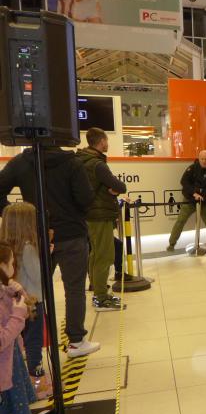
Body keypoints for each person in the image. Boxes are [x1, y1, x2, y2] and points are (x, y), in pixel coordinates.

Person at [0, 146, 98, 359]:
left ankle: (27, 344)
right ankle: (76, 341)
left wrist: (16, 216)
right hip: (72, 233)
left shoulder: (22, 161)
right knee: (74, 289)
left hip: (36, 235)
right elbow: (86, 199)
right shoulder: (72, 162)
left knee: (32, 291)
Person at [0, 203, 50, 399]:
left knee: (23, 343)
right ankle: (37, 380)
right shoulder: (28, 248)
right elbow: (38, 276)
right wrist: (45, 255)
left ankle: (28, 381)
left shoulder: (8, 249)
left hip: (15, 304)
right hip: (31, 303)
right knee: (34, 341)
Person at [0, 241, 38, 414]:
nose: (14, 268)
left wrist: (15, 290)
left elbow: (24, 300)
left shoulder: (4, 291)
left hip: (7, 367)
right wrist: (17, 315)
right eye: (11, 264)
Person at [77, 127, 127, 312]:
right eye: (107, 140)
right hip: (100, 215)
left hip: (89, 214)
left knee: (95, 253)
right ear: (102, 141)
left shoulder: (82, 160)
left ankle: (96, 288)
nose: (108, 144)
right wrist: (114, 189)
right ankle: (101, 297)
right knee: (105, 255)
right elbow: (120, 186)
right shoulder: (98, 164)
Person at [167, 150, 206, 256]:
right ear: (198, 159)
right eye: (202, 159)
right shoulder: (192, 168)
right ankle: (171, 244)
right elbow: (184, 182)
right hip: (190, 200)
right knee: (180, 221)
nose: (204, 161)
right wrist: (194, 193)